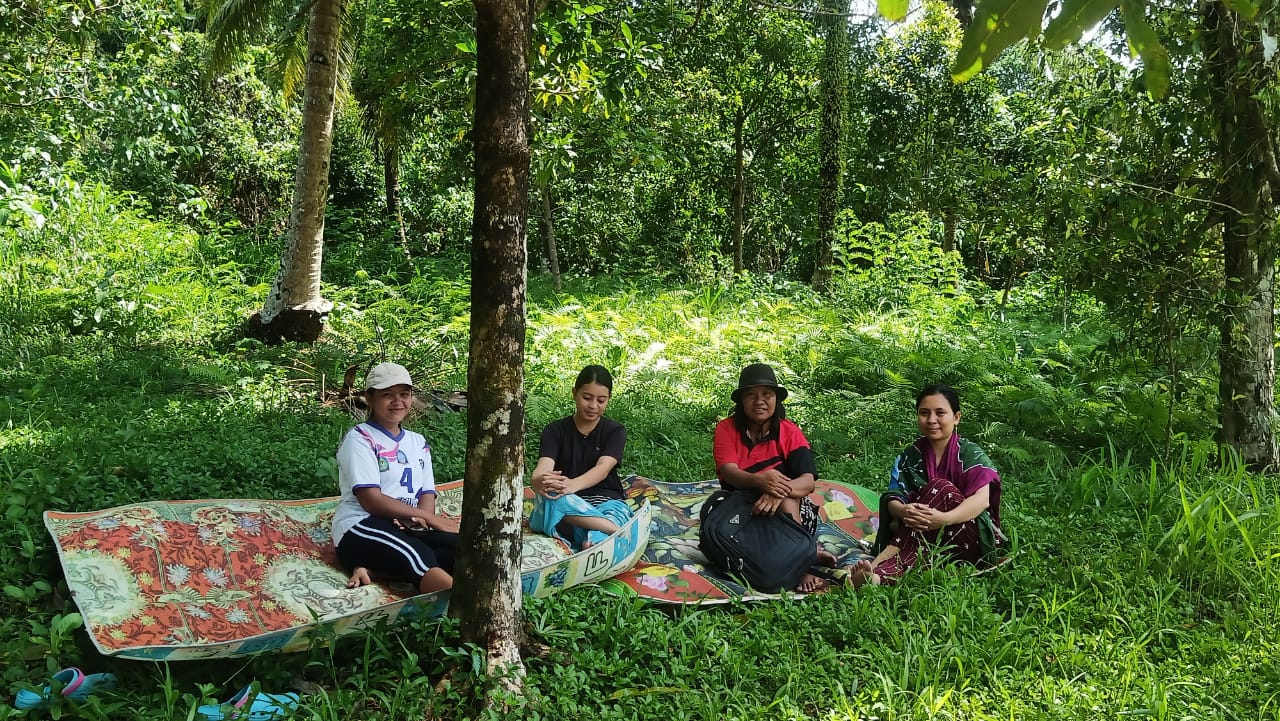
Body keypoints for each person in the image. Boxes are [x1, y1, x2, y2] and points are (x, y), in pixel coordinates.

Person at [848, 383, 1004, 588]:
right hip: (924, 537)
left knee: (940, 488)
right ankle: (877, 578)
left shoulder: (970, 453)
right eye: (924, 413)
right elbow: (893, 498)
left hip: (968, 537)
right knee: (919, 528)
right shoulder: (909, 456)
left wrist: (943, 519)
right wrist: (903, 511)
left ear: (956, 417)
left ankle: (876, 565)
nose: (931, 420)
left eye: (940, 413)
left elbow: (981, 501)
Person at [331, 362, 459, 594]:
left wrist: (423, 519)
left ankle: (373, 570)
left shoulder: (417, 442)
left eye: (404, 394)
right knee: (418, 556)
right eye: (387, 395)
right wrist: (427, 518)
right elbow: (370, 499)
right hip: (361, 524)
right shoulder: (359, 438)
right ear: (369, 398)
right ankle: (465, 612)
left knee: (459, 548)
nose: (397, 401)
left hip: (405, 525)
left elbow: (426, 492)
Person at [712, 363, 836, 592]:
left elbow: (807, 481)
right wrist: (760, 481)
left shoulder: (790, 432)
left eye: (767, 394)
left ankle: (801, 562)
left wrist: (777, 490)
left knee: (789, 501)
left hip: (789, 509)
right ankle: (806, 557)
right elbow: (730, 472)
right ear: (741, 401)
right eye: (751, 395)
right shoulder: (726, 429)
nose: (759, 401)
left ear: (776, 400)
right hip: (739, 505)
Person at [529, 365, 633, 550]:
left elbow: (603, 469)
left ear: (609, 399)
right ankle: (609, 529)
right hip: (567, 506)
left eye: (601, 400)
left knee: (598, 540)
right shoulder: (555, 430)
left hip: (605, 503)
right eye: (587, 398)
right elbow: (544, 467)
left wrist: (571, 485)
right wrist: (538, 481)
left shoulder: (615, 431)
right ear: (574, 393)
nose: (593, 406)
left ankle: (594, 538)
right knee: (551, 494)